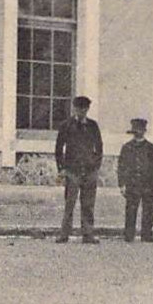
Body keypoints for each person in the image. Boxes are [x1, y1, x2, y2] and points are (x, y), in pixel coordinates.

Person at [54, 95, 103, 244]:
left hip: (89, 171)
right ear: (74, 108)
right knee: (70, 203)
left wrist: (95, 166)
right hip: (72, 171)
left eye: (84, 109)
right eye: (78, 108)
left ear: (87, 109)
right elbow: (58, 149)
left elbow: (99, 148)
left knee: (88, 204)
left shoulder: (93, 126)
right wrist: (61, 168)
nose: (81, 112)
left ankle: (88, 234)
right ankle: (64, 234)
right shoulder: (66, 125)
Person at [117, 117, 153, 243]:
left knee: (148, 209)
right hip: (132, 183)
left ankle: (146, 234)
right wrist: (122, 184)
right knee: (131, 209)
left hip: (149, 183)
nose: (138, 132)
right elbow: (121, 167)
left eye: (140, 130)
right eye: (136, 130)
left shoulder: (151, 148)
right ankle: (129, 234)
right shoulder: (126, 147)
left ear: (144, 131)